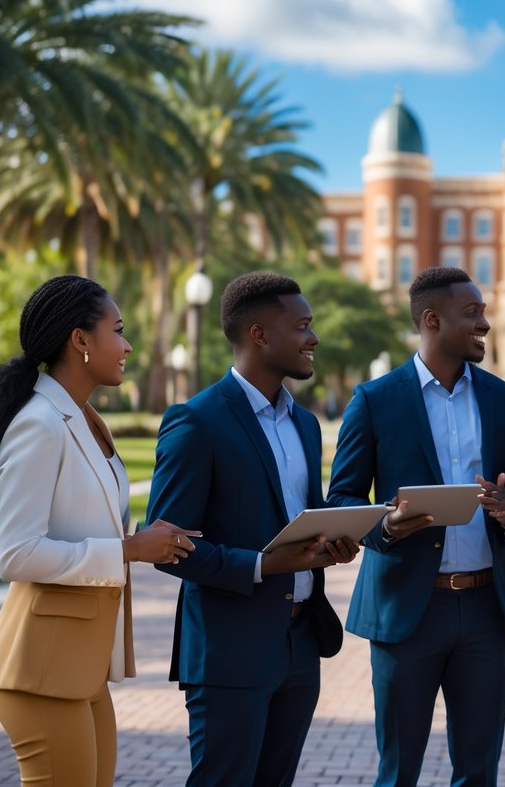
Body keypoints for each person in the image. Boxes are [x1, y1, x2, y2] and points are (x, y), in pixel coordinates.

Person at [0, 275, 197, 787]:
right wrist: (126, 550)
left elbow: (84, 519)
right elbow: (15, 554)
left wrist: (140, 538)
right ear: (81, 341)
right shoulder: (40, 423)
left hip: (78, 666)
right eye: (118, 330)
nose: (128, 344)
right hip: (40, 669)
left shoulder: (84, 419)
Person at [145, 271, 358, 787]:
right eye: (302, 325)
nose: (314, 338)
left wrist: (335, 540)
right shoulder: (195, 421)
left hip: (300, 643)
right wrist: (264, 566)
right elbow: (169, 547)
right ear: (260, 335)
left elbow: (301, 517)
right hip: (229, 649)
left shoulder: (305, 424)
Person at [328, 266, 505, 787]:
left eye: (484, 312)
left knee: (478, 771)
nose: (485, 323)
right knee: (398, 771)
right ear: (431, 319)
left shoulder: (504, 398)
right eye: (473, 313)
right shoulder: (374, 400)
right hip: (405, 613)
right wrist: (388, 527)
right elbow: (344, 499)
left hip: (488, 612)